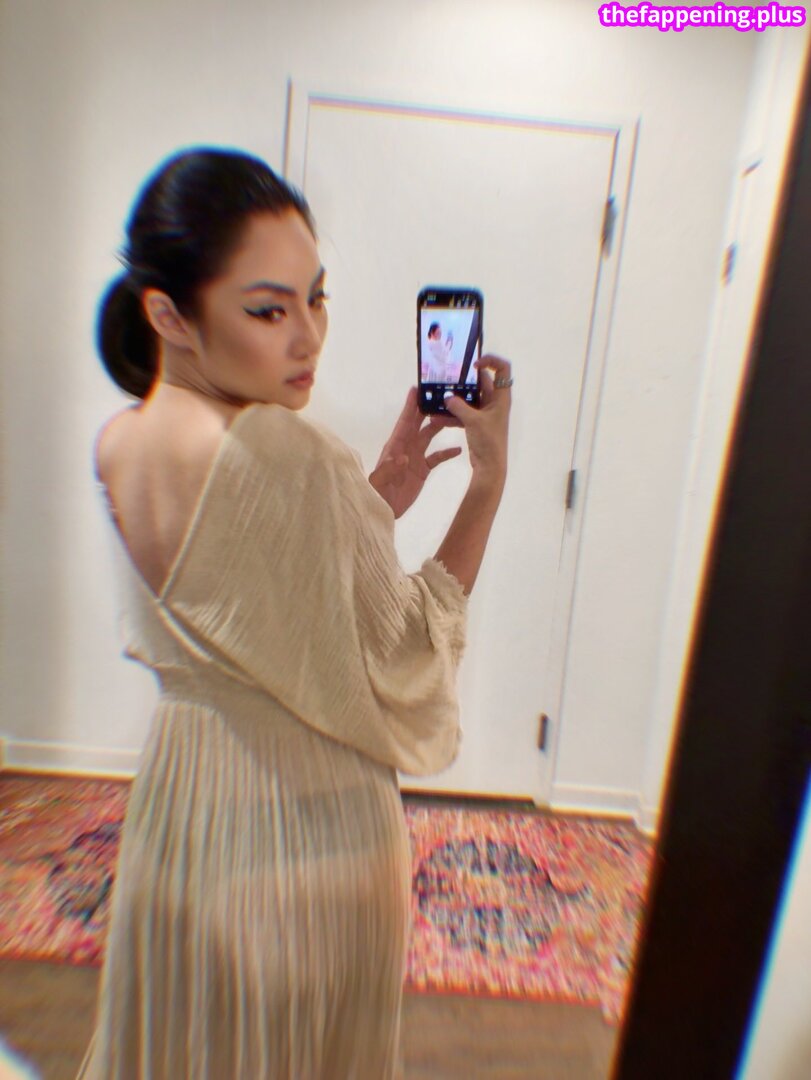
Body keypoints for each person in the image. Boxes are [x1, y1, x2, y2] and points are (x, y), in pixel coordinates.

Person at [79, 147, 512, 1079]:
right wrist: (486, 484)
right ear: (169, 314)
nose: (308, 337)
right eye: (268, 310)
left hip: (179, 819)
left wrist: (374, 496)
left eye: (316, 298)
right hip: (305, 836)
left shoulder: (119, 441)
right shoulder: (288, 454)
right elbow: (402, 648)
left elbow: (253, 601)